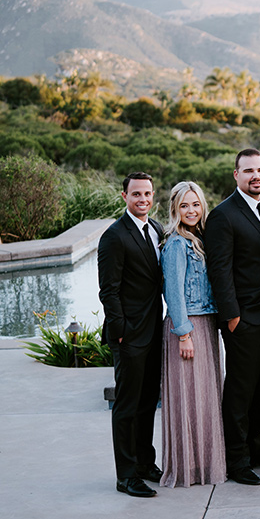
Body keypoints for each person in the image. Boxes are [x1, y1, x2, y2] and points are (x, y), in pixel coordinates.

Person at [205, 148, 260, 486]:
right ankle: (236, 460)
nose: (257, 176)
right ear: (236, 174)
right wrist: (232, 317)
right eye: (249, 170)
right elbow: (219, 270)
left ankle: (257, 444)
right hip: (244, 319)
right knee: (240, 390)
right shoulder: (223, 215)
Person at [98, 172, 164, 497]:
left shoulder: (155, 229)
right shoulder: (114, 236)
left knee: (148, 401)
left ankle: (144, 462)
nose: (142, 200)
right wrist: (120, 332)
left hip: (154, 332)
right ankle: (125, 475)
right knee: (126, 406)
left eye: (147, 194)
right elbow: (108, 291)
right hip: (129, 336)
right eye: (136, 194)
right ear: (124, 196)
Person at [159, 181, 226, 487]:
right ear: (175, 208)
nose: (191, 211)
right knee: (190, 398)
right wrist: (184, 334)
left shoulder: (200, 239)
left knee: (206, 397)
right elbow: (173, 292)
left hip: (206, 324)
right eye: (184, 205)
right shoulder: (175, 244)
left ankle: (204, 464)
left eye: (195, 204)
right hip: (187, 327)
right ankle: (188, 467)